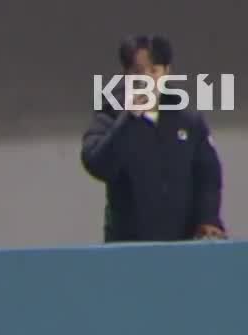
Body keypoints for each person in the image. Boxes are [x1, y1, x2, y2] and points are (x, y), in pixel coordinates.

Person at [80, 34, 226, 243]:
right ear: (126, 75)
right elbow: (97, 164)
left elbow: (208, 174)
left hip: (182, 244)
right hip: (128, 245)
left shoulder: (187, 119)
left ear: (167, 72)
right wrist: (128, 119)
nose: (147, 79)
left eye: (154, 71)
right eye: (138, 72)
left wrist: (208, 219)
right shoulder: (111, 114)